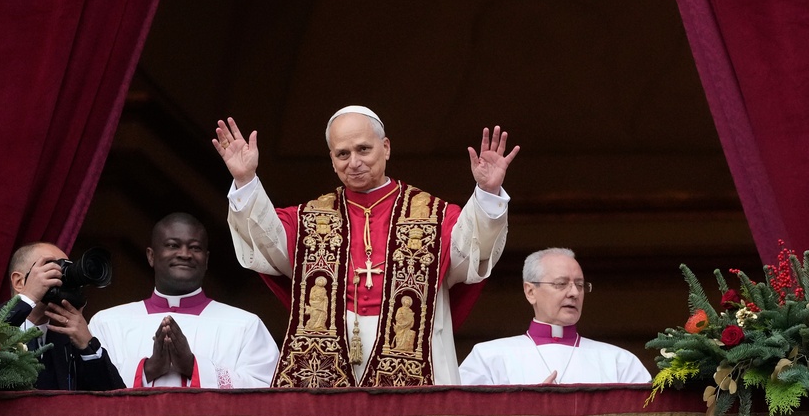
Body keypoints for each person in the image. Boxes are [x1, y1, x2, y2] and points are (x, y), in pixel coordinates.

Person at [215, 106, 520, 387]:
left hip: (413, 349)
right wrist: (246, 180)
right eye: (342, 154)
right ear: (332, 161)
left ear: (385, 148)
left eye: (363, 149)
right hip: (329, 349)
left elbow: (471, 250)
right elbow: (268, 243)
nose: (354, 162)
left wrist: (488, 191)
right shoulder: (309, 218)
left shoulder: (433, 216)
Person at [88, 213, 279, 388]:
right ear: (151, 256)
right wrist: (149, 369)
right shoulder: (107, 323)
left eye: (195, 248)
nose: (185, 254)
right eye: (173, 245)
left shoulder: (245, 325)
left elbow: (267, 392)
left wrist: (192, 366)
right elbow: (87, 388)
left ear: (206, 259)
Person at [459, 247, 652, 385]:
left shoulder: (620, 362)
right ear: (530, 292)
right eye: (561, 284)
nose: (574, 293)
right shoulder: (488, 358)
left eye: (579, 284)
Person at [6, 242, 126, 390]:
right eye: (51, 269)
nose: (61, 278)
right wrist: (27, 299)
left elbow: (115, 401)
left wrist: (88, 347)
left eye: (64, 269)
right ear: (19, 282)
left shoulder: (68, 341)